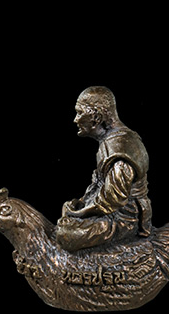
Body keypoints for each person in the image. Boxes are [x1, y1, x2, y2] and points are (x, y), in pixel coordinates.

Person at [56, 86, 153, 252]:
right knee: (67, 212)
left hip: (124, 219)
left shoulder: (120, 151)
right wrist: (81, 203)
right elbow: (98, 185)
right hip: (107, 210)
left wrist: (79, 213)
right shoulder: (110, 143)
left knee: (65, 236)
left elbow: (112, 201)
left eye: (80, 113)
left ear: (96, 118)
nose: (75, 120)